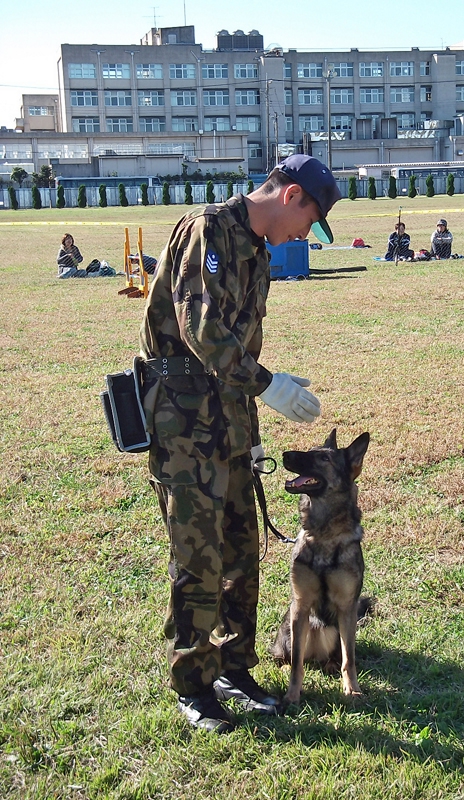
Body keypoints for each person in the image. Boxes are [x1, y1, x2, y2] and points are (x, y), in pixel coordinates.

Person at [139, 154, 342, 733]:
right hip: (184, 426)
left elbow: (240, 349)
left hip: (229, 422)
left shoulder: (255, 252)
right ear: (290, 195)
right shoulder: (209, 229)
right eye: (309, 220)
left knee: (240, 550)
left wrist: (253, 431)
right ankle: (194, 685)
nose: (304, 234)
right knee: (197, 555)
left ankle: (233, 666)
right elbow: (201, 331)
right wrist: (268, 384)